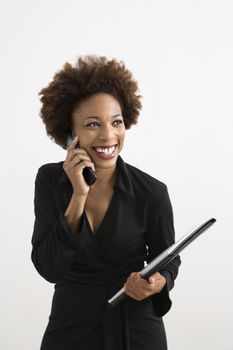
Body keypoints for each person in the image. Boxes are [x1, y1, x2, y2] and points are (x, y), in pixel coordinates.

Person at [31, 55, 181, 350]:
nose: (108, 135)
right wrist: (78, 194)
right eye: (92, 124)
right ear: (70, 133)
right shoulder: (50, 180)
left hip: (135, 321)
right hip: (71, 322)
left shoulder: (152, 192)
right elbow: (49, 268)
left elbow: (169, 259)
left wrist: (157, 282)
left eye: (117, 122)